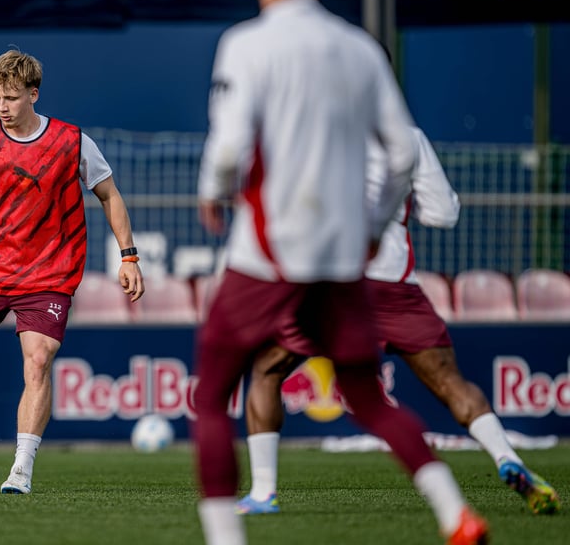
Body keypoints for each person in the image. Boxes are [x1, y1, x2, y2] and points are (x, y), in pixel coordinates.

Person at [192, 0, 488, 543]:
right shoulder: (360, 49)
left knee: (210, 399)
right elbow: (403, 151)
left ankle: (227, 537)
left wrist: (212, 191)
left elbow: (229, 145)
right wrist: (373, 225)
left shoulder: (246, 44)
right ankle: (455, 512)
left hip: (266, 257)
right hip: (340, 259)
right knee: (367, 399)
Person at [236, 127, 561, 516]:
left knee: (267, 370)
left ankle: (263, 492)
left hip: (331, 283)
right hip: (394, 286)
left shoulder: (314, 126)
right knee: (449, 382)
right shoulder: (409, 137)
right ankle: (508, 459)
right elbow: (443, 214)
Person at [0, 48, 145, 495]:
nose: (2, 106)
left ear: (33, 94)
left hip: (48, 276)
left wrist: (128, 256)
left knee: (38, 361)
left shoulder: (73, 142)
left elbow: (110, 195)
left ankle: (21, 468)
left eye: (12, 97)